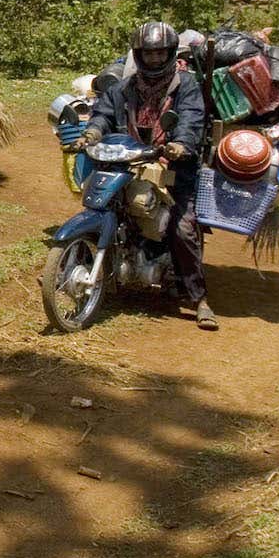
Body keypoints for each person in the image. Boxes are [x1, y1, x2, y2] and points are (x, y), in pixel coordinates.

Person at [73, 22, 216, 330]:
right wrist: (92, 133)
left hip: (174, 166)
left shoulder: (186, 85)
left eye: (159, 53)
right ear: (138, 55)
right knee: (102, 204)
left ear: (169, 53)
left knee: (183, 228)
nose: (153, 60)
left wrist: (181, 144)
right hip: (129, 159)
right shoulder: (123, 87)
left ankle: (198, 298)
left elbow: (191, 119)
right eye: (147, 54)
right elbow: (103, 114)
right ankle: (79, 264)